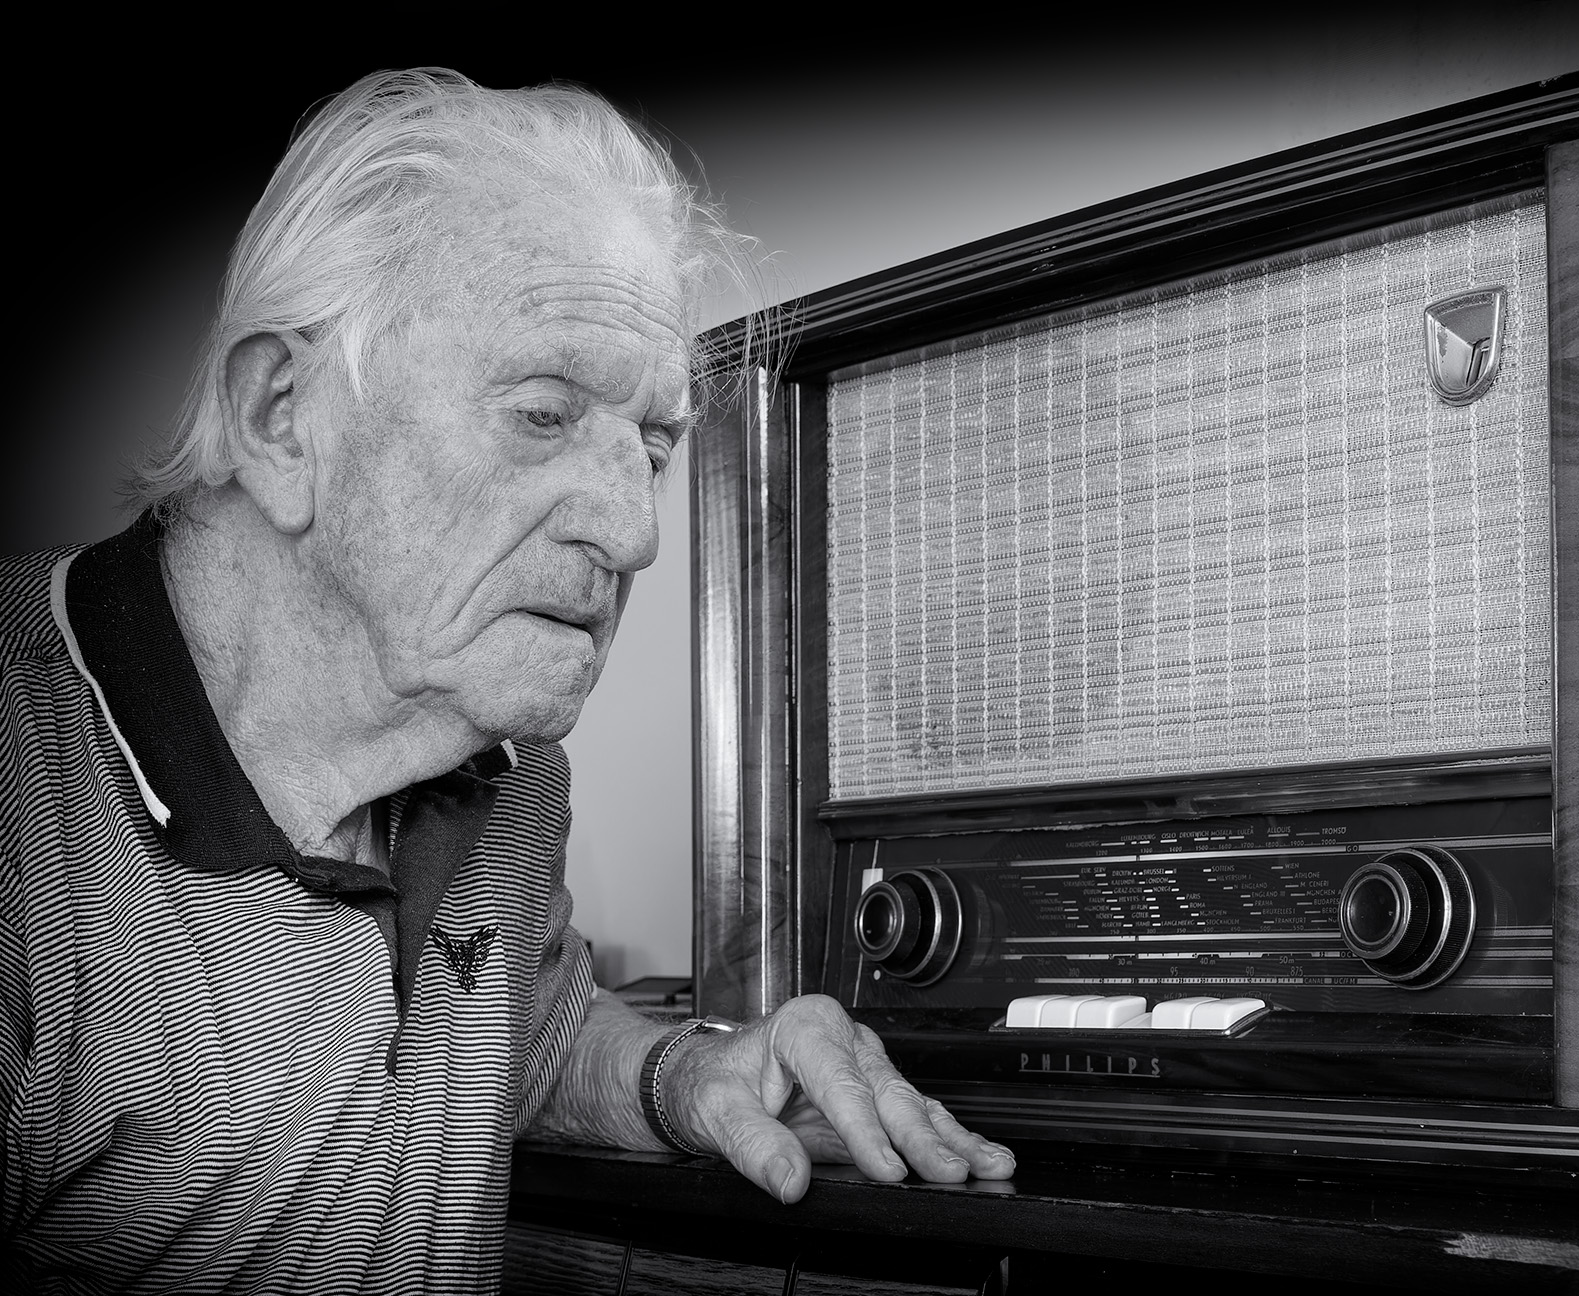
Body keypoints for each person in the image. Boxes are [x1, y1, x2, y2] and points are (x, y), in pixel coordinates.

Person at [0, 68, 1013, 1292]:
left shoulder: (506, 773)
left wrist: (690, 1075)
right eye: (543, 414)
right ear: (282, 417)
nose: (635, 532)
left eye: (651, 446)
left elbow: (524, 1033)